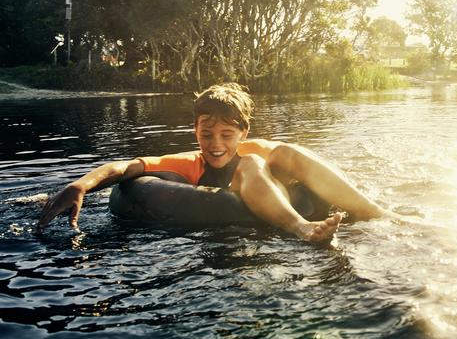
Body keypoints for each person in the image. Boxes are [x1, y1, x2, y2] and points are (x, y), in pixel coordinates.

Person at [37, 83, 388, 242]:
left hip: (268, 195)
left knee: (269, 157)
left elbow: (300, 161)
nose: (216, 145)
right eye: (206, 134)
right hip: (231, 214)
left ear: (243, 131)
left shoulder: (260, 150)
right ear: (195, 129)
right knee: (248, 165)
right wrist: (79, 184)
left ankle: (377, 213)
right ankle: (302, 229)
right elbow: (126, 168)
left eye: (226, 135)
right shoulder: (191, 163)